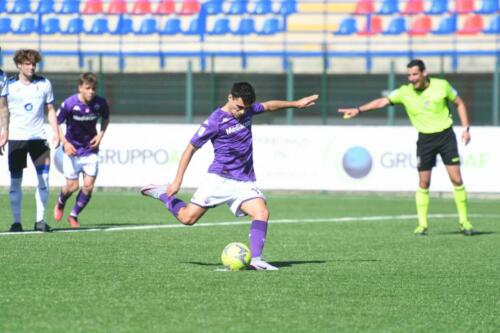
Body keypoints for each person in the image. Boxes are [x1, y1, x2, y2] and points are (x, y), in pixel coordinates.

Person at [141, 82, 318, 270]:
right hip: (219, 179)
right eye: (238, 107)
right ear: (230, 98)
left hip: (244, 180)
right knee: (187, 218)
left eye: (246, 108)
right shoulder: (214, 121)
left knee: (261, 212)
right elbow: (190, 149)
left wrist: (296, 104)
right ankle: (162, 194)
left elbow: (268, 106)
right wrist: (177, 181)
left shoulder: (247, 110)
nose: (241, 112)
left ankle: (257, 260)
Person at [338, 59, 474, 236]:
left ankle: (464, 222)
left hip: (446, 137)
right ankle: (422, 225)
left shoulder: (442, 86)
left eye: (415, 74)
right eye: (409, 75)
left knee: (456, 179)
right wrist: (359, 109)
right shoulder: (405, 92)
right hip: (425, 140)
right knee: (424, 182)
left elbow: (460, 103)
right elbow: (382, 102)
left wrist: (466, 128)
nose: (412, 78)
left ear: (424, 73)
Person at [7, 49, 59, 232]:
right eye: (27, 63)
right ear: (19, 65)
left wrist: (56, 131)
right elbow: (2, 110)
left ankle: (40, 221)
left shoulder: (44, 83)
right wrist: (3, 132)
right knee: (15, 182)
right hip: (16, 138)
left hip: (39, 139)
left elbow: (50, 109)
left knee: (44, 179)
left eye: (33, 64)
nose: (31, 67)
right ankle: (16, 222)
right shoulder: (9, 85)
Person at [53, 73, 110, 228]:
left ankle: (73, 215)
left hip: (90, 150)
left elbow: (105, 118)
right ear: (80, 88)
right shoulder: (70, 104)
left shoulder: (100, 103)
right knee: (72, 186)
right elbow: (56, 123)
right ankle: (60, 201)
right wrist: (64, 142)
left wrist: (100, 135)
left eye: (94, 89)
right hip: (72, 150)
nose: (91, 91)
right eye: (87, 88)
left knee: (89, 185)